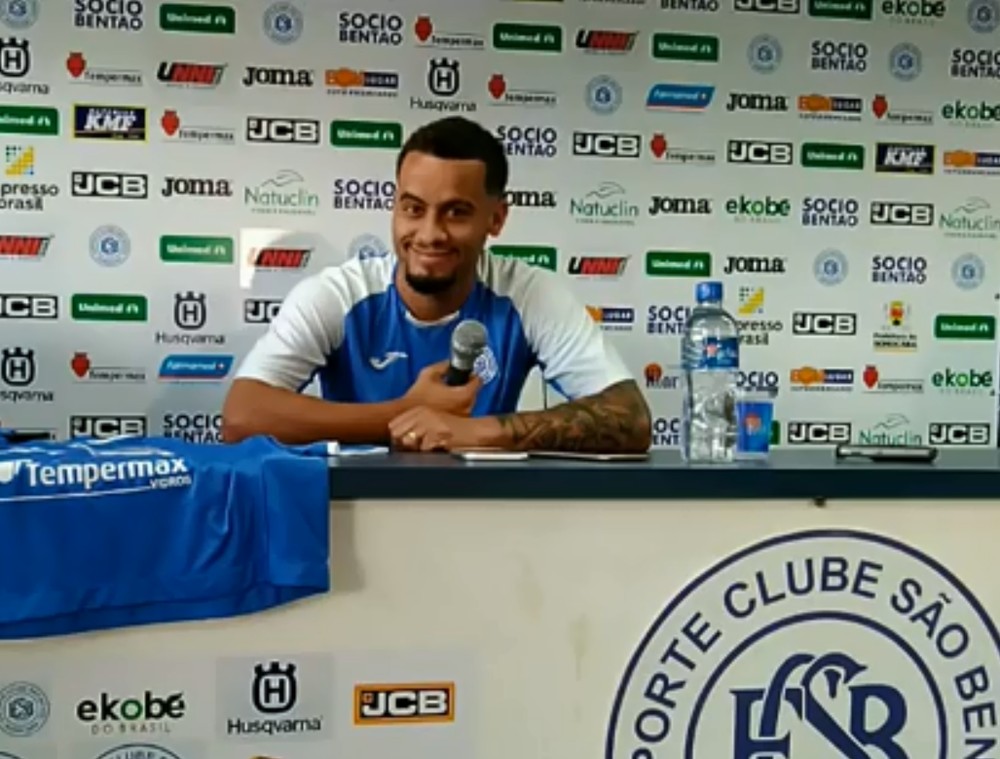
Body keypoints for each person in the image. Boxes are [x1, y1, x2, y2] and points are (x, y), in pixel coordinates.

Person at [222, 116, 651, 453]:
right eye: (413, 209)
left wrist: (477, 432)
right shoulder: (338, 295)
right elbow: (242, 417)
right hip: (350, 518)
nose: (429, 234)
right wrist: (402, 413)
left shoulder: (527, 293)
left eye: (456, 213)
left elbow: (632, 418)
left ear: (496, 218)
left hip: (479, 517)